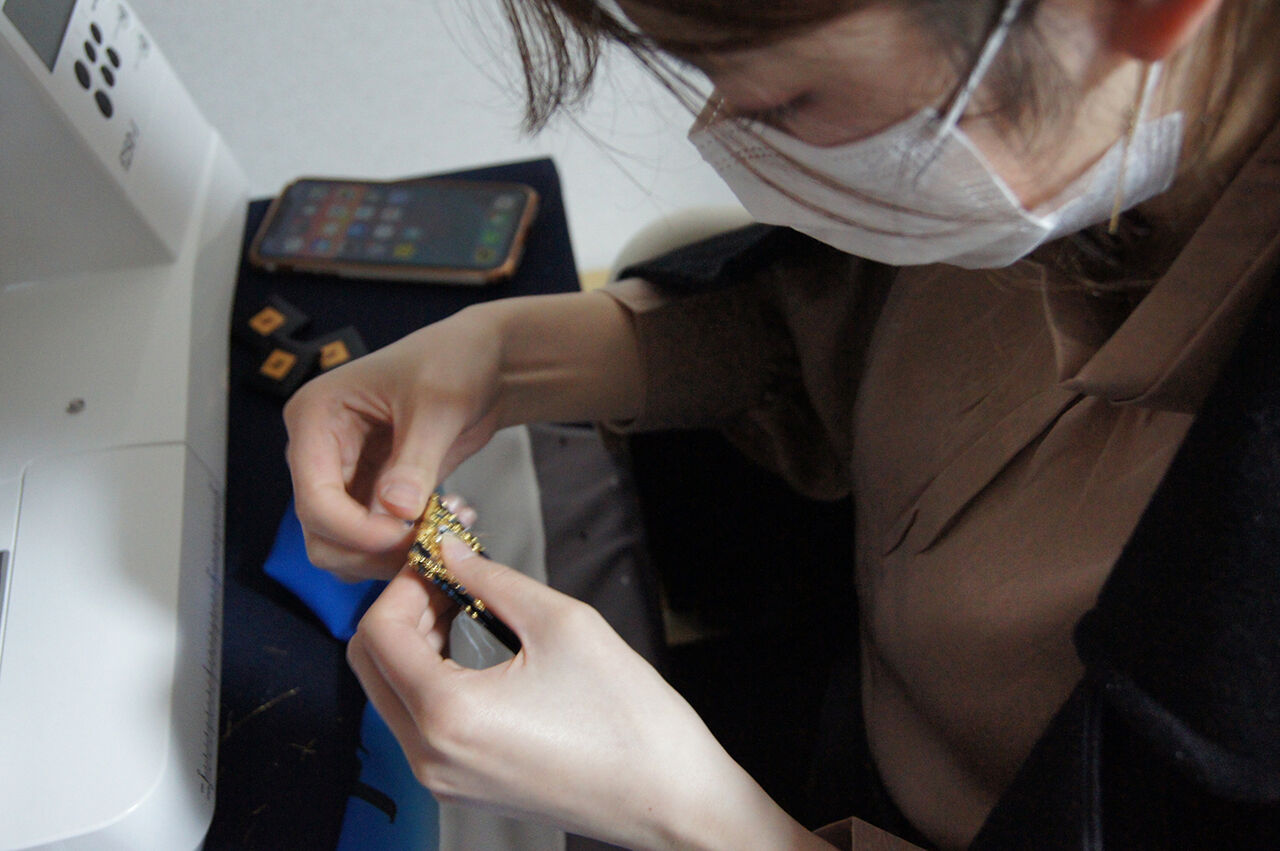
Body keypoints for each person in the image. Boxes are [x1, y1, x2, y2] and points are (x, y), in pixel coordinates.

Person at [282, 0, 1280, 847]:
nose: (730, 136)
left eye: (785, 102)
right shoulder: (1065, 144)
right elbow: (855, 311)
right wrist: (510, 357)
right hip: (826, 682)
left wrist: (689, 810)